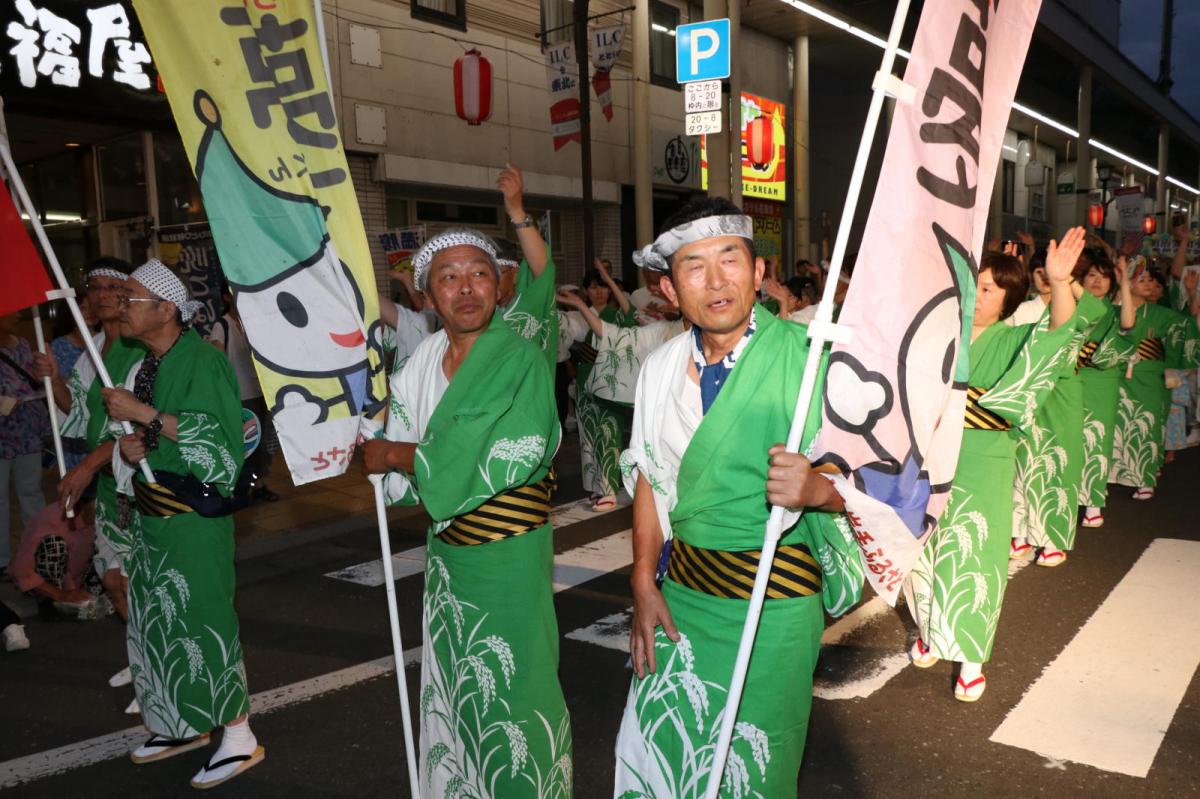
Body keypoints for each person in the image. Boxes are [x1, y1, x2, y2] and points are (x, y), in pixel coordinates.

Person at [614, 198, 860, 797]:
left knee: (754, 771)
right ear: (669, 291)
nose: (716, 280)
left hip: (774, 604)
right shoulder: (660, 367)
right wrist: (644, 580)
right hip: (683, 602)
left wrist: (820, 491)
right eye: (693, 267)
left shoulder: (812, 362)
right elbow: (650, 474)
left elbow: (882, 482)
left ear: (757, 273)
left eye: (731, 260)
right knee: (656, 759)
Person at [362, 228, 571, 797]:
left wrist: (397, 456)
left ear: (500, 287)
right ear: (427, 297)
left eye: (479, 272)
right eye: (448, 277)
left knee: (516, 687)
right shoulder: (422, 361)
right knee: (456, 685)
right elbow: (397, 443)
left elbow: (485, 450)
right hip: (447, 559)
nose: (466, 288)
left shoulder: (518, 356)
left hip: (508, 554)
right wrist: (369, 441)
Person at [99, 260, 262, 789]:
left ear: (166, 309)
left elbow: (222, 446)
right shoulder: (149, 362)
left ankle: (238, 735)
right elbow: (156, 438)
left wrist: (143, 419)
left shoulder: (203, 361)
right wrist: (133, 444)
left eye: (130, 298)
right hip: (153, 521)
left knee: (203, 620)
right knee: (157, 624)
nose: (121, 307)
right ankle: (179, 723)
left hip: (190, 521)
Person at [906, 229, 1087, 702]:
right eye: (974, 284)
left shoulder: (1016, 337)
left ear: (1009, 299)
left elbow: (1060, 333)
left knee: (977, 554)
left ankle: (970, 658)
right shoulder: (939, 334)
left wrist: (1062, 283)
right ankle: (929, 627)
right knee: (923, 547)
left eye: (988, 288)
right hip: (930, 456)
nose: (977, 294)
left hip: (985, 456)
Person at [34, 259, 139, 620]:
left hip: (138, 485)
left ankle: (157, 663)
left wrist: (86, 467)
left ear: (129, 294)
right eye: (95, 287)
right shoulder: (93, 348)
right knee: (111, 580)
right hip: (108, 485)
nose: (103, 295)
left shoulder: (139, 346)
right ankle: (142, 657)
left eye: (113, 287)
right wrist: (55, 378)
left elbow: (138, 429)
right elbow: (78, 412)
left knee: (132, 580)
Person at [1009, 247, 1108, 567]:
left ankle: (1053, 539)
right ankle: (1019, 534)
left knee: (1058, 463)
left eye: (1049, 272)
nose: (1046, 278)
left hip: (1063, 393)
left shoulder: (1077, 308)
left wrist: (1065, 278)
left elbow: (1100, 313)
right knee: (1022, 463)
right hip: (1027, 393)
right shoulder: (1022, 310)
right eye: (1040, 272)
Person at [1109, 262, 1200, 499]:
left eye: (1151, 279)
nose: (1149, 284)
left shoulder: (1163, 315)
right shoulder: (1113, 309)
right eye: (1142, 279)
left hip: (1151, 377)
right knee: (1118, 425)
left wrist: (1192, 295)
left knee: (1148, 424)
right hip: (1118, 376)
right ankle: (1113, 474)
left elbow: (1188, 326)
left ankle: (1146, 476)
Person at [563, 259, 637, 510]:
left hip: (608, 384)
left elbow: (631, 312)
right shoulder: (579, 313)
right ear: (585, 291)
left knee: (608, 433)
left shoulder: (615, 315)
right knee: (588, 437)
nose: (598, 292)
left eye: (603, 287)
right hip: (584, 382)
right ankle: (596, 486)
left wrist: (608, 277)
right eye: (593, 287)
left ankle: (609, 489)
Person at [1077, 256, 1138, 528]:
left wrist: (1125, 279)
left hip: (1102, 381)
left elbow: (1128, 322)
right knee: (1070, 439)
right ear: (1081, 280)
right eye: (1091, 275)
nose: (1098, 280)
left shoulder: (1114, 312)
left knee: (1097, 439)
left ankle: (1094, 501)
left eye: (1104, 276)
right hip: (1071, 379)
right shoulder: (1071, 308)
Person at [208, 283, 279, 502]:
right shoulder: (222, 325)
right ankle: (239, 488)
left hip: (259, 393)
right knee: (242, 445)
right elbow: (216, 363)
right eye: (232, 292)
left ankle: (257, 485)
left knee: (261, 445)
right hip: (238, 397)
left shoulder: (251, 323)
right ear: (225, 297)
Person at [0, 311, 49, 579]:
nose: (17, 316)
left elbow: (36, 381)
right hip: (2, 434)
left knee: (31, 492)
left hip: (27, 431)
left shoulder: (22, 345)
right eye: (10, 312)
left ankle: (38, 553)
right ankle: (2, 560)